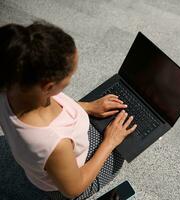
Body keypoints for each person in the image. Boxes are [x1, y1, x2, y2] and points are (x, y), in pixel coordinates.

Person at [0, 21, 137, 200]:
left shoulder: (9, 85)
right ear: (48, 87)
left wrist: (88, 106)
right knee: (119, 156)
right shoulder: (54, 143)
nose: (71, 78)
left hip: (46, 166)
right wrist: (109, 143)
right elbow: (74, 189)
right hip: (66, 185)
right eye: (69, 76)